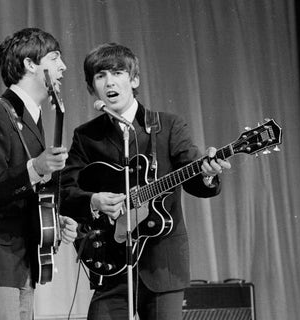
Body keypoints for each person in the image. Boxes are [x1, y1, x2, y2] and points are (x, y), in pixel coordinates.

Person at [60, 43, 232, 320]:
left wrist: (208, 173)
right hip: (110, 261)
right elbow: (65, 190)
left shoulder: (168, 125)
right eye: (100, 75)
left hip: (163, 266)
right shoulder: (87, 136)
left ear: (134, 80)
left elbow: (194, 179)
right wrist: (93, 200)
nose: (110, 81)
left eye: (117, 72)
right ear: (92, 87)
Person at [0, 27, 78, 320]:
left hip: (20, 262)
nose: (63, 67)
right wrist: (36, 168)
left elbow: (25, 196)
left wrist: (56, 222)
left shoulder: (32, 119)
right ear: (30, 64)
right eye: (55, 57)